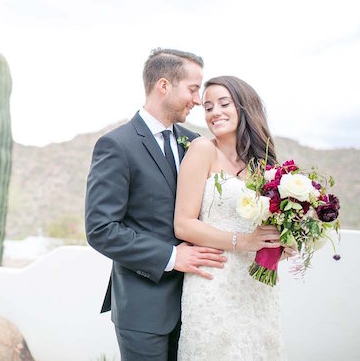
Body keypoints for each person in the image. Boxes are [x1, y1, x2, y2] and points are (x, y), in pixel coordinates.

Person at [85, 48, 227, 360]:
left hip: (197, 305)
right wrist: (171, 256)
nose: (196, 100)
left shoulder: (195, 142)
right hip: (143, 309)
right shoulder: (117, 145)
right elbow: (101, 229)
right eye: (192, 89)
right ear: (163, 85)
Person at [174, 75, 285, 360]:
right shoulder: (202, 150)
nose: (215, 113)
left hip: (256, 287)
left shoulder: (264, 164)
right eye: (208, 107)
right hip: (214, 280)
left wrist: (283, 243)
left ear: (244, 108)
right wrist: (242, 241)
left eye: (224, 104)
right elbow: (183, 224)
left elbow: (264, 230)